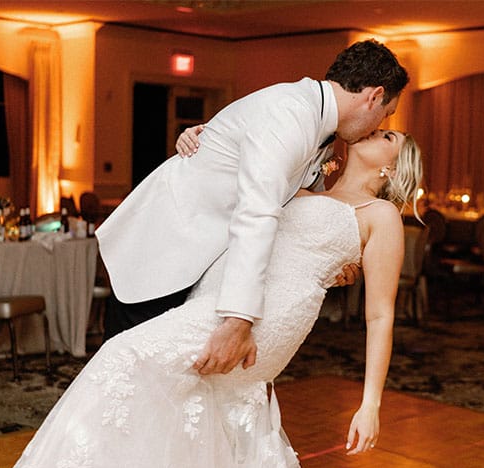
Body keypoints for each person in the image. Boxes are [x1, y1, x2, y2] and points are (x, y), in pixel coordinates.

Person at [0, 127, 423, 468]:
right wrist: (196, 139)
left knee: (123, 355)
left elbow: (380, 314)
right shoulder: (304, 185)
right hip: (220, 300)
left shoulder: (380, 216)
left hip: (266, 322)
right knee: (197, 428)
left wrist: (370, 403)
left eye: (389, 137)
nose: (377, 131)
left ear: (391, 168)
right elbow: (239, 175)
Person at [96, 39, 409, 377]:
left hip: (206, 267)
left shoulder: (320, 130)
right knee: (127, 379)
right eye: (385, 116)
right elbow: (257, 212)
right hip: (164, 254)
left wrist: (333, 255)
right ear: (373, 97)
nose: (378, 127)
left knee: (168, 390)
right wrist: (238, 319)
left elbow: (298, 210)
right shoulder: (289, 112)